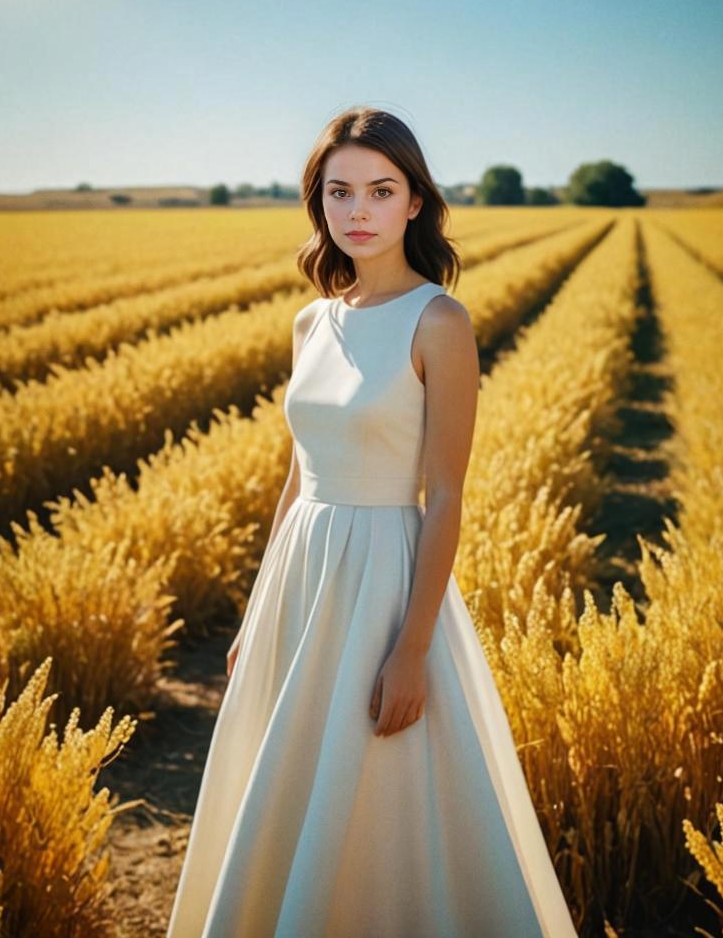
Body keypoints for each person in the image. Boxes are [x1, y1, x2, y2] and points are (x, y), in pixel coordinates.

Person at [166, 106, 578, 937]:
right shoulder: (311, 320)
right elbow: (296, 477)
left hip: (385, 582)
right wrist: (256, 608)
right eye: (339, 190)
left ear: (415, 203)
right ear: (317, 202)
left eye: (381, 191)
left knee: (381, 796)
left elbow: (446, 495)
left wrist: (414, 647)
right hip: (302, 578)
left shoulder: (440, 322)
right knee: (282, 788)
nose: (358, 210)